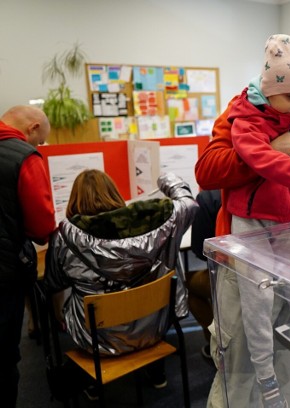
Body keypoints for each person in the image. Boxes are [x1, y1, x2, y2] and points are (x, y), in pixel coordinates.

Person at [195, 37, 290, 408]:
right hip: (249, 259)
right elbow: (207, 172)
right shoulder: (245, 112)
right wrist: (269, 151)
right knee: (240, 369)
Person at [45, 170, 198, 398]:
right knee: (147, 295)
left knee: (70, 303)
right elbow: (188, 203)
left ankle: (93, 381)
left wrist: (61, 318)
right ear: (114, 193)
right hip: (154, 327)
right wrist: (167, 177)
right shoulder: (160, 222)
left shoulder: (64, 238)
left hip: (95, 339)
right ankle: (157, 373)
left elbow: (53, 285)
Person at [0, 105, 56, 408]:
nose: (39, 147)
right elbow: (42, 226)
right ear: (32, 128)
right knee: (5, 356)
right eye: (41, 141)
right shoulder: (23, 156)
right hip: (5, 271)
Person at [188, 189, 221, 361]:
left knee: (187, 285)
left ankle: (216, 344)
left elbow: (201, 252)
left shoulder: (209, 198)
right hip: (272, 276)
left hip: (227, 277)